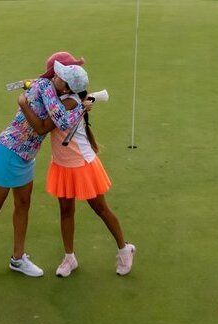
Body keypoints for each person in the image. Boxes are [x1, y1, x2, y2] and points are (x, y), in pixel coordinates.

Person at [0, 52, 91, 277]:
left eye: (65, 74)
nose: (60, 75)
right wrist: (76, 106)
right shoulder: (46, 87)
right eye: (63, 71)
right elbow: (48, 126)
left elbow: (59, 109)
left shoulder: (56, 92)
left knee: (23, 205)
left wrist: (79, 103)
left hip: (26, 156)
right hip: (7, 151)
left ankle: (18, 258)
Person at [19, 66, 135, 277]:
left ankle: (124, 248)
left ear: (67, 87)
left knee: (101, 209)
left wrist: (24, 103)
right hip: (63, 166)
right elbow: (48, 89)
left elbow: (43, 126)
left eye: (60, 77)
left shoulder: (69, 102)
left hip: (82, 165)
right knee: (66, 212)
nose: (55, 77)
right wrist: (37, 84)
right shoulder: (68, 98)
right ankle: (69, 257)